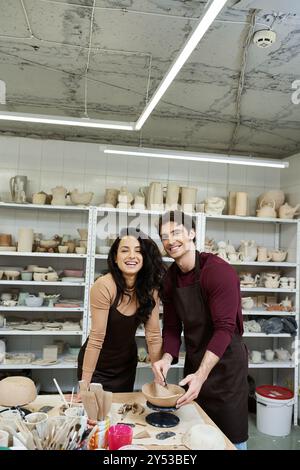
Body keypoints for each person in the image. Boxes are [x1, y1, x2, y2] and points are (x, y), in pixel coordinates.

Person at [152, 210, 248, 449]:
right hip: (195, 363)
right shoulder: (170, 280)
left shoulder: (218, 271)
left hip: (226, 366)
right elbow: (173, 327)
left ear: (192, 233)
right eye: (164, 236)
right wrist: (166, 358)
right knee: (196, 434)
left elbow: (225, 328)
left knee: (231, 438)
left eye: (176, 232)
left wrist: (202, 374)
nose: (170, 241)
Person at [78, 227, 165, 392]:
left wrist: (159, 378)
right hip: (98, 366)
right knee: (95, 415)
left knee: (120, 414)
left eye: (138, 251)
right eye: (125, 250)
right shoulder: (104, 285)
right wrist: (85, 384)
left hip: (126, 366)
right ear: (115, 258)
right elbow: (97, 338)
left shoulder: (150, 289)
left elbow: (153, 336)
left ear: (144, 258)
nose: (132, 256)